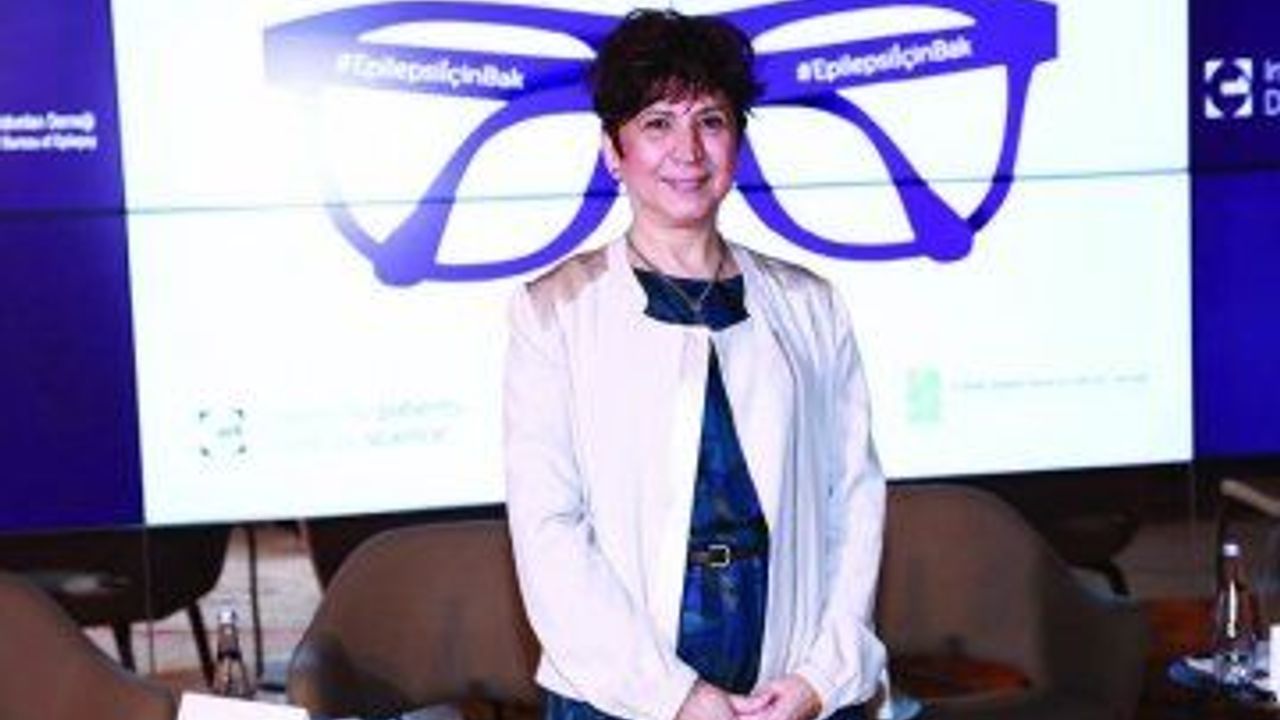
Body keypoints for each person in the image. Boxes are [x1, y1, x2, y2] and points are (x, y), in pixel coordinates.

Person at [504, 9, 886, 720]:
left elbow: (854, 503)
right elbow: (549, 530)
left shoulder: (810, 304)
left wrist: (822, 676)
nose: (687, 150)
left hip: (786, 682)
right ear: (613, 150)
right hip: (616, 691)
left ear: (737, 143)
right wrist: (675, 697)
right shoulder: (554, 310)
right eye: (657, 123)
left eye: (711, 121)